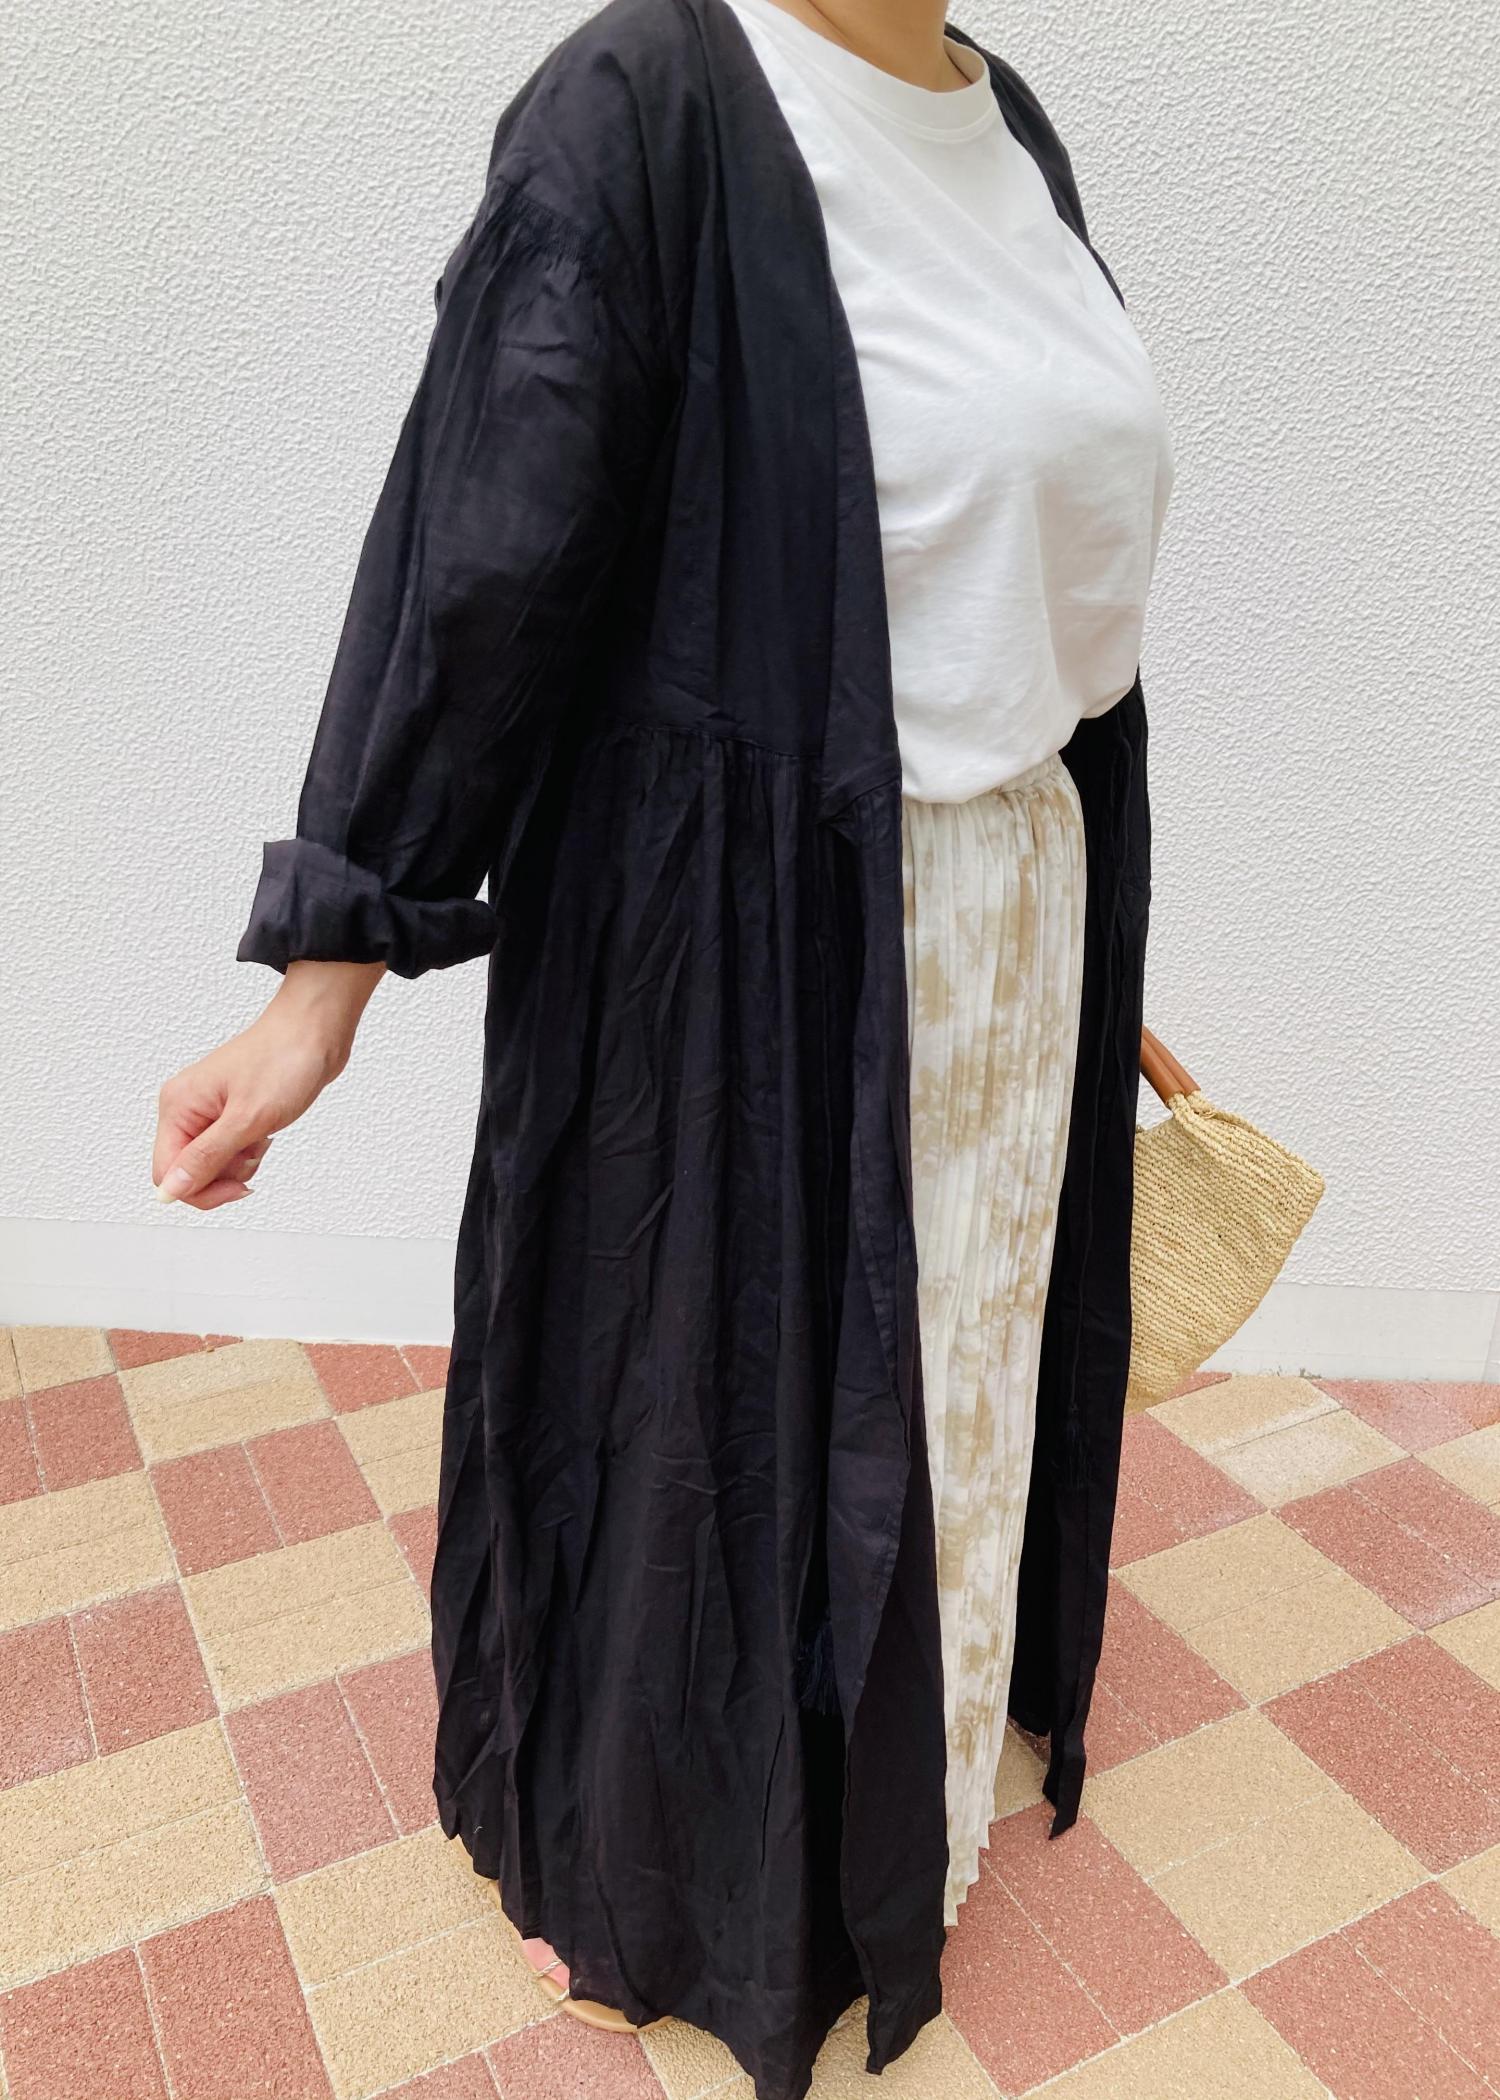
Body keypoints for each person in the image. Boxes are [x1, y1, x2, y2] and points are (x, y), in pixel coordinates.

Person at [150, 0, 1172, 2093]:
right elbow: (478, 559)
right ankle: (664, 1883)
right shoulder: (645, 107)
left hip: (1000, 925)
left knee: (951, 1385)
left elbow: (1028, 567)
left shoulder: (1007, 122)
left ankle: (901, 1796)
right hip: (742, 950)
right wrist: (325, 976)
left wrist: (1077, 921)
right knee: (705, 1422)